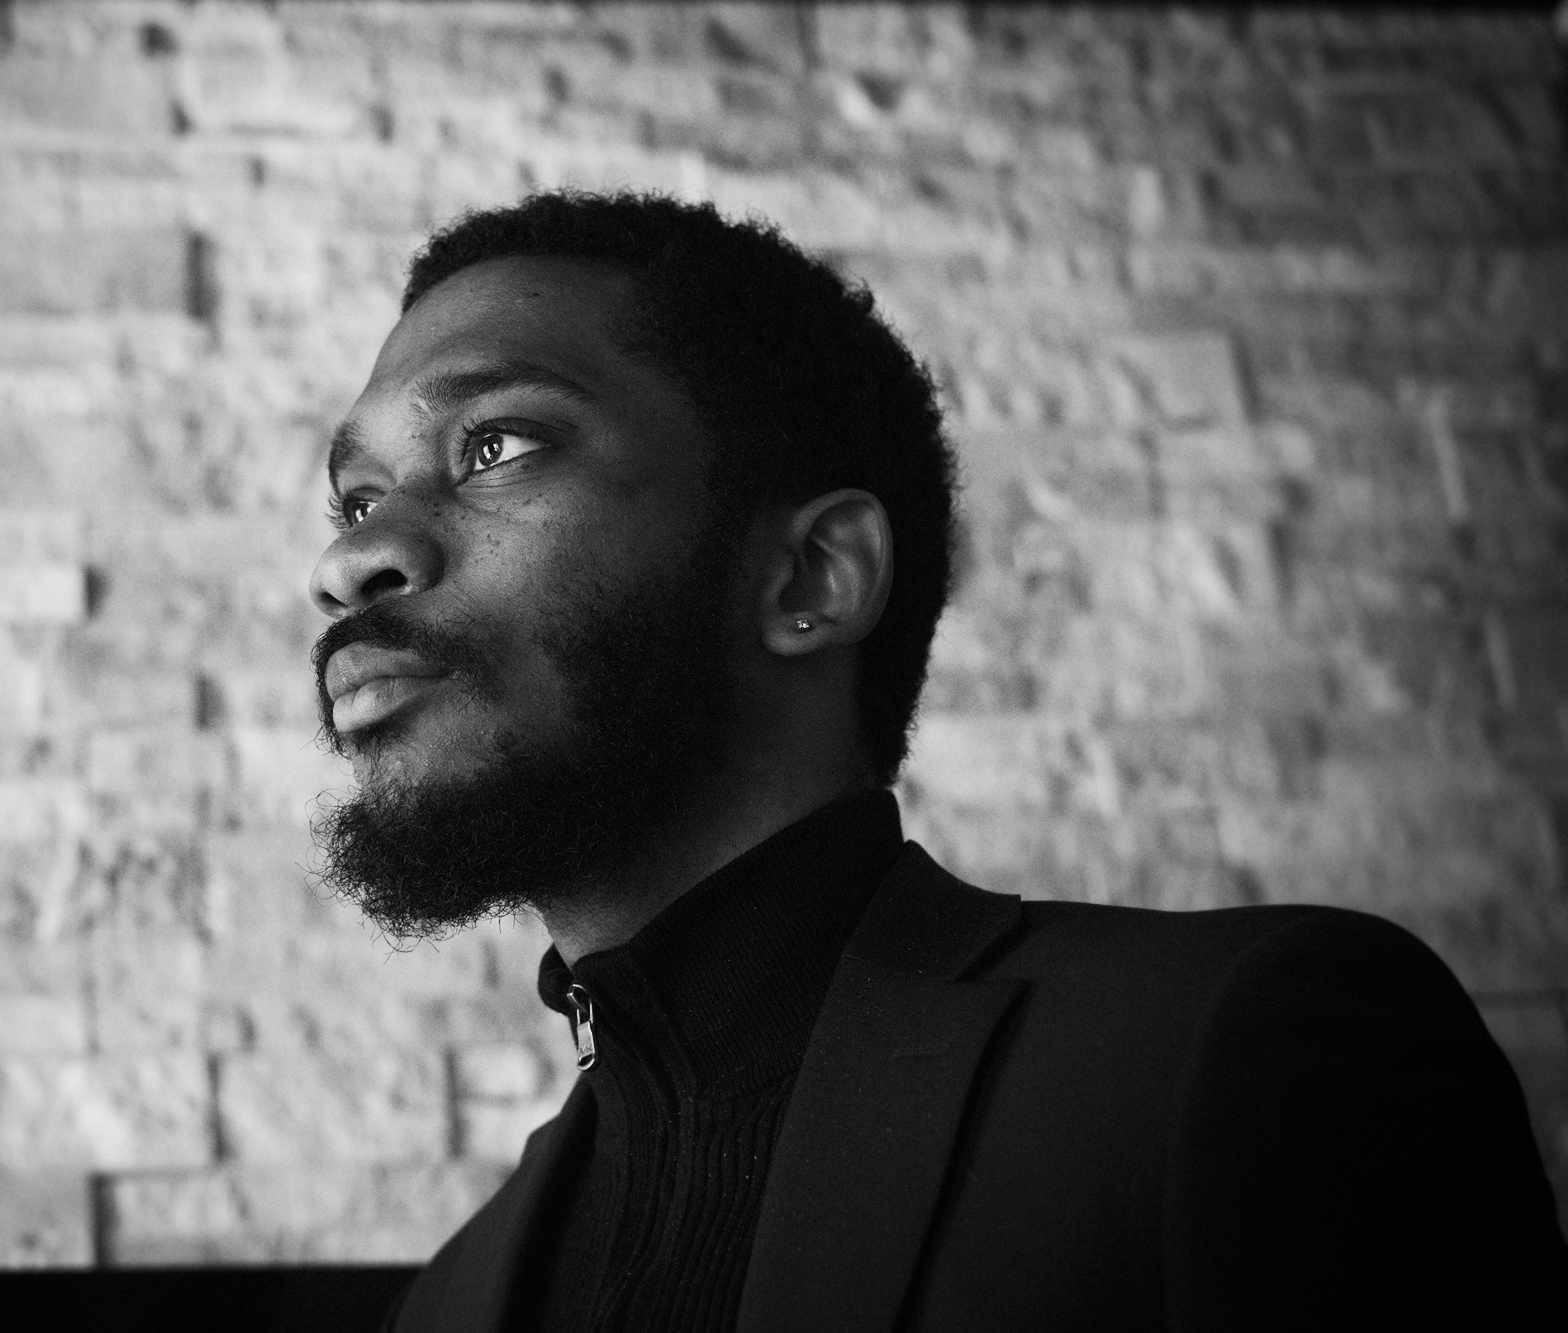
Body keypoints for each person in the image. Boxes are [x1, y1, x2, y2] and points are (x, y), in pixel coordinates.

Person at [304, 190, 1566, 1332]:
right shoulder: (453, 1297)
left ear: (811, 577)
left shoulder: (1242, 1058)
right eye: (355, 500)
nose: (353, 560)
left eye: (494, 444)